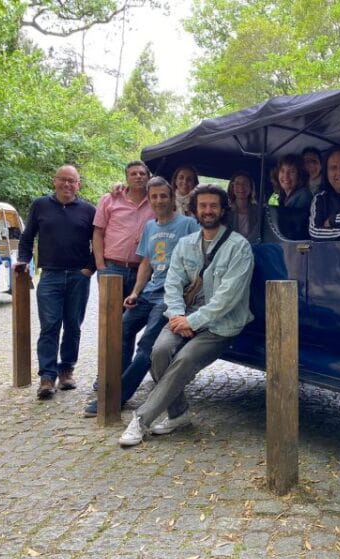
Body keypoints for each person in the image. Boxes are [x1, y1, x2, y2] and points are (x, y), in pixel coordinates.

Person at [118, 184, 254, 446]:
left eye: (213, 205)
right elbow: (173, 284)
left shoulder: (239, 247)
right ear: (194, 210)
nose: (208, 210)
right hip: (183, 316)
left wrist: (191, 321)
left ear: (223, 209)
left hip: (220, 324)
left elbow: (228, 298)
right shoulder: (185, 244)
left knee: (184, 358)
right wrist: (178, 316)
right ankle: (178, 414)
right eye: (202, 206)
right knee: (158, 352)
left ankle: (141, 419)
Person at [84, 176, 198, 417]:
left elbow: (202, 258)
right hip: (148, 293)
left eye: (163, 196)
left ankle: (116, 397)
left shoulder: (187, 224)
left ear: (171, 198)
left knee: (148, 346)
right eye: (154, 196)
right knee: (120, 331)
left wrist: (191, 291)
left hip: (171, 296)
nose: (158, 201)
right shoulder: (150, 227)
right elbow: (146, 262)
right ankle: (113, 382)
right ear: (149, 198)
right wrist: (136, 292)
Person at [15, 165, 96, 399]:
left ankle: (67, 370)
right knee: (50, 325)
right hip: (50, 275)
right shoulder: (40, 205)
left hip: (78, 277)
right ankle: (47, 377)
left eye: (73, 181)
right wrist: (23, 261)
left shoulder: (88, 210)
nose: (67, 185)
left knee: (73, 325)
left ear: (78, 184)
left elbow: (100, 241)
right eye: (63, 180)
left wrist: (89, 269)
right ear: (55, 181)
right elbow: (27, 237)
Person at [93, 160, 154, 300]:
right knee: (110, 317)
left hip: (143, 270)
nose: (138, 176)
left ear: (148, 177)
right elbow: (98, 233)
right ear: (126, 178)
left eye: (142, 173)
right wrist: (101, 266)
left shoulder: (156, 201)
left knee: (135, 318)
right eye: (133, 174)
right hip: (112, 268)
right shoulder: (109, 199)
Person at [272, 154, 312, 239]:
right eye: (282, 171)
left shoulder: (304, 194)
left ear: (299, 175)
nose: (286, 176)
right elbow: (270, 210)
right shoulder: (277, 194)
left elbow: (295, 226)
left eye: (292, 171)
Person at [227, 171, 260, 242]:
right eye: (237, 183)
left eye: (245, 184)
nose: (241, 187)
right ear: (232, 188)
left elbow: (258, 234)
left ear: (251, 188)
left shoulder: (259, 211)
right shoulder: (226, 210)